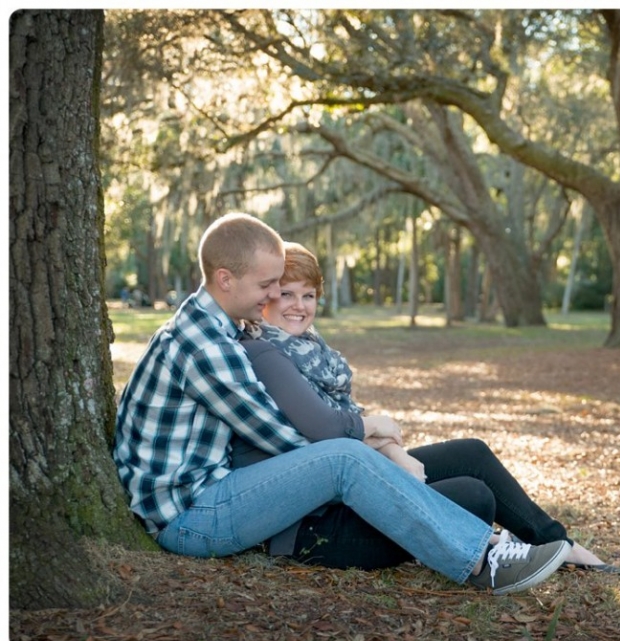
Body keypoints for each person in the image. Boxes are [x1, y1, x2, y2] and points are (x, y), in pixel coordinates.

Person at [112, 212, 571, 596]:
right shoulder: (205, 342)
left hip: (209, 492)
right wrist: (368, 432)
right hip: (190, 516)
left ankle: (525, 545)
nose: (276, 296)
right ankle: (481, 561)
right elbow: (283, 436)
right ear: (225, 279)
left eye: (290, 288)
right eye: (269, 285)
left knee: (353, 455)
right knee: (343, 459)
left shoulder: (217, 327)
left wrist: (364, 434)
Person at [231, 241, 620, 574]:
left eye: (308, 295)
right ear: (265, 297)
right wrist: (382, 432)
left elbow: (349, 421)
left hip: (354, 487)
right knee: (473, 496)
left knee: (472, 453)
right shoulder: (264, 352)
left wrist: (395, 453)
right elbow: (328, 428)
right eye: (286, 294)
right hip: (314, 526)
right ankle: (492, 544)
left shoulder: (312, 351)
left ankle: (559, 544)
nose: (299, 306)